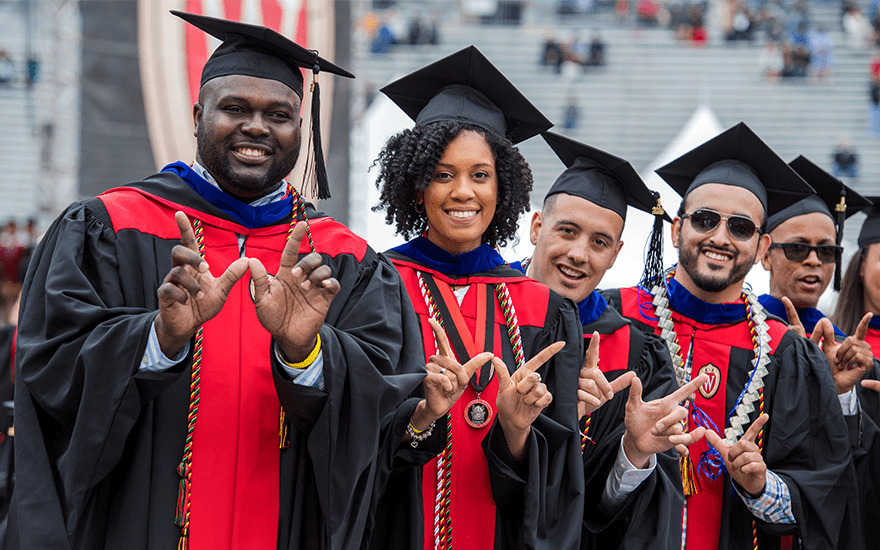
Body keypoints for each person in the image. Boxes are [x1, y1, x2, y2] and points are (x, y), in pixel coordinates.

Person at [9, 12, 427, 550]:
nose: (257, 126)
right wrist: (158, 340)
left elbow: (384, 414)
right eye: (235, 108)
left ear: (301, 128)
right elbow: (50, 372)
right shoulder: (111, 226)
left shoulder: (341, 259)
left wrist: (306, 354)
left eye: (279, 114)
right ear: (197, 114)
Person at [603, 122, 863, 550]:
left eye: (740, 227)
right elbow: (563, 484)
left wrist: (761, 486)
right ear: (676, 229)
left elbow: (828, 499)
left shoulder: (785, 352)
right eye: (705, 219)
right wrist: (632, 455)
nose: (720, 237)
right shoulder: (615, 321)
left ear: (762, 248)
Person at [369, 46, 585, 549]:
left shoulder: (544, 309)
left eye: (480, 175)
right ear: (416, 185)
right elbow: (349, 434)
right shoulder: (377, 284)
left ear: (502, 187)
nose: (463, 191)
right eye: (443, 174)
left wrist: (515, 432)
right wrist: (420, 418)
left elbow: (560, 482)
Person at [520, 131, 707, 550]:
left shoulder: (636, 354)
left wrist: (634, 452)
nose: (579, 254)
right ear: (536, 227)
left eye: (599, 242)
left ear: (616, 254)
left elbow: (618, 514)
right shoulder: (488, 309)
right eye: (567, 231)